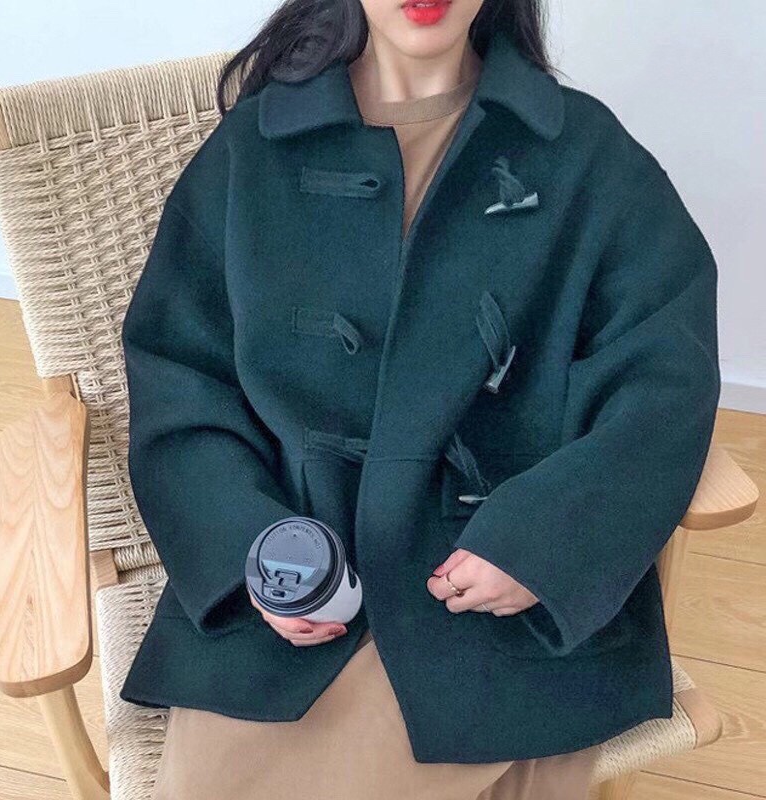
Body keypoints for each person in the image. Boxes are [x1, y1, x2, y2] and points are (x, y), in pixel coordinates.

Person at [118, 1, 721, 798]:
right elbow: (179, 379)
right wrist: (253, 551)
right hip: (300, 601)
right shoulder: (252, 153)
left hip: (494, 603)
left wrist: (546, 540)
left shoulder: (586, 156)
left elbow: (666, 381)